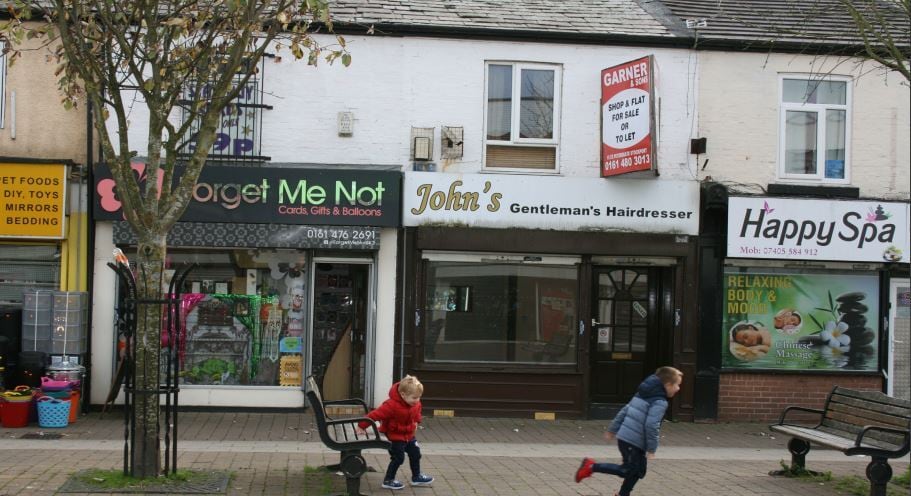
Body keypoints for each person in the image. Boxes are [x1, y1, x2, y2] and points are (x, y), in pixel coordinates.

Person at [574, 366, 683, 496]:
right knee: (627, 470)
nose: (678, 388)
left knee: (638, 471)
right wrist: (652, 448)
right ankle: (590, 466)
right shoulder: (660, 402)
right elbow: (651, 425)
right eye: (677, 385)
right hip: (633, 442)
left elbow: (624, 411)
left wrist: (612, 430)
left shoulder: (642, 393)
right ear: (668, 384)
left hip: (627, 439)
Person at [358, 375, 434, 490]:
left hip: (409, 435)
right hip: (394, 436)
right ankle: (388, 480)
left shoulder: (415, 403)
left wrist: (417, 421)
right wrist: (361, 426)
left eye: (419, 397)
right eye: (414, 398)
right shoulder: (391, 405)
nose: (417, 400)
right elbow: (375, 415)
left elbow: (417, 412)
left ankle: (416, 477)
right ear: (403, 395)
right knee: (398, 458)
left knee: (416, 454)